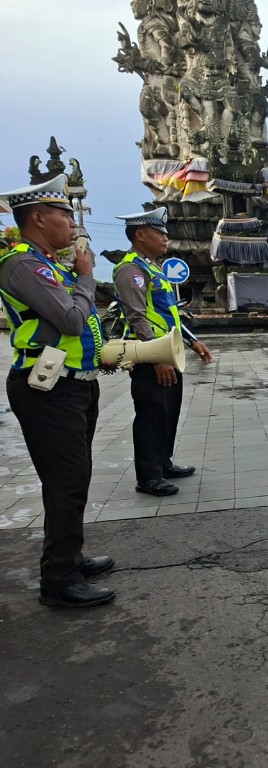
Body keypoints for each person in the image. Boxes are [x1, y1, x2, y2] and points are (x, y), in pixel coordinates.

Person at [0, 175, 115, 608]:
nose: (72, 221)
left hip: (73, 384)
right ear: (38, 217)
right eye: (63, 213)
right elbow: (71, 319)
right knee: (66, 481)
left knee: (73, 478)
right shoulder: (23, 265)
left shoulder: (49, 264)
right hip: (46, 389)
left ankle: (72, 556)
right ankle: (60, 579)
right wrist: (86, 279)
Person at [112, 207, 212, 497]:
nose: (166, 238)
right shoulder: (131, 269)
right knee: (151, 415)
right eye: (160, 233)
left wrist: (192, 341)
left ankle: (163, 463)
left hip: (170, 352)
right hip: (149, 356)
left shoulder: (155, 268)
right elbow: (137, 317)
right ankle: (148, 476)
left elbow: (170, 315)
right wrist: (156, 358)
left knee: (168, 412)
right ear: (140, 235)